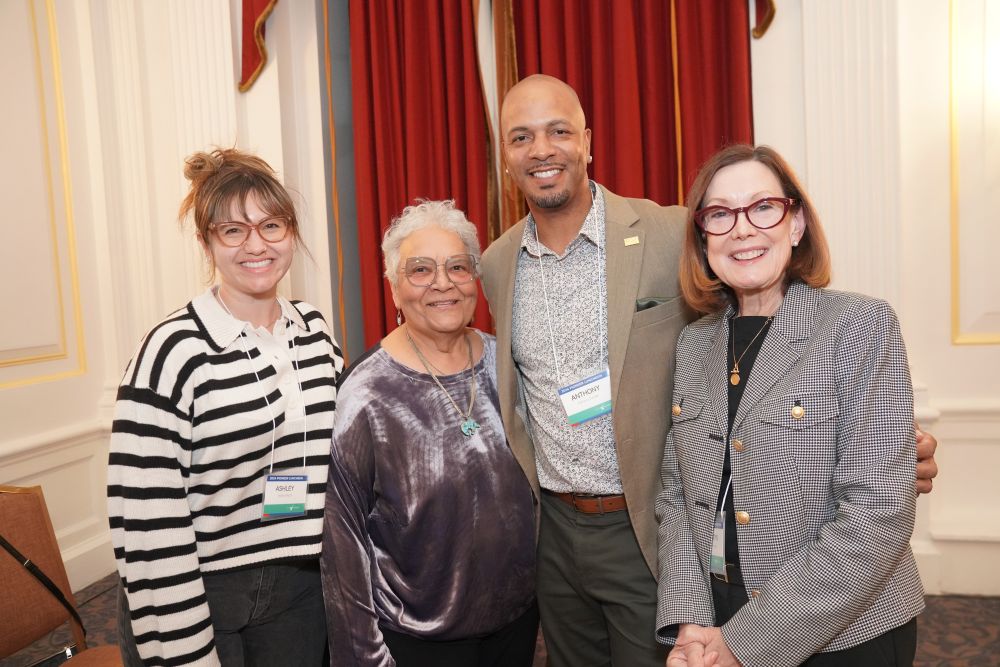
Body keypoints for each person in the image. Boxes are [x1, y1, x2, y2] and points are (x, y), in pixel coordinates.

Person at [479, 74, 938, 666]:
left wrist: (905, 448)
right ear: (506, 156)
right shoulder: (496, 264)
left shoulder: (671, 232)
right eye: (522, 137)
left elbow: (852, 463)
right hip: (564, 532)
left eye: (559, 131)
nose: (542, 149)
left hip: (643, 532)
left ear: (588, 142)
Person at [655, 144, 924, 666]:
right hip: (721, 615)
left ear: (795, 222)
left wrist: (748, 644)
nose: (741, 228)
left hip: (843, 631)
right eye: (720, 214)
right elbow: (678, 496)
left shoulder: (859, 327)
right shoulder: (694, 344)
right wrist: (693, 622)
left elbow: (878, 512)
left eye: (762, 207)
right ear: (703, 237)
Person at [108, 148, 343, 666]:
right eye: (232, 231)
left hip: (298, 583)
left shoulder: (315, 331)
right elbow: (146, 519)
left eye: (271, 226)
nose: (255, 245)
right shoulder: (171, 351)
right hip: (197, 587)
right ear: (206, 242)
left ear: (291, 232)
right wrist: (184, 648)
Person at [321, 200, 537, 667]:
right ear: (394, 289)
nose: (442, 283)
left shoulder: (508, 365)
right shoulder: (365, 394)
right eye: (420, 270)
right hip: (419, 640)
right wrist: (364, 655)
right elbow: (343, 544)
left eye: (457, 267)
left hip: (517, 626)